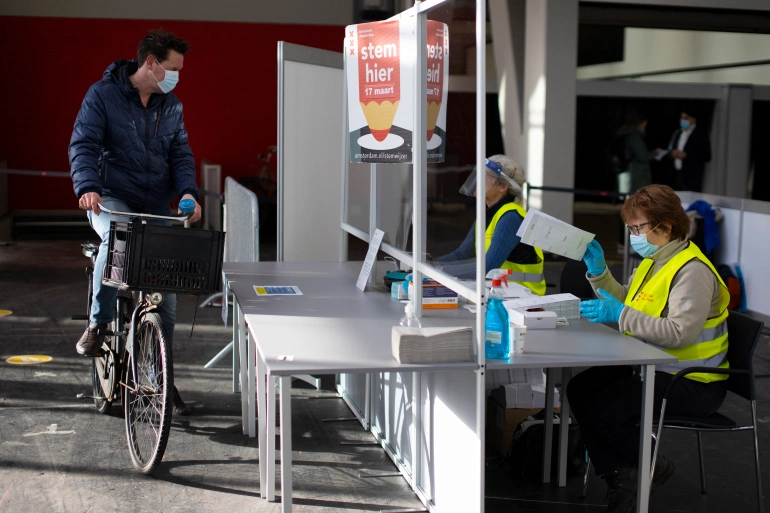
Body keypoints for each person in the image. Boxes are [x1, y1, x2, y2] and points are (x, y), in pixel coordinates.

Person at [566, 184, 731, 513]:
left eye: (638, 228)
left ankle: (637, 470)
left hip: (693, 380)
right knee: (580, 388)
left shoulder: (692, 271)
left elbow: (680, 333)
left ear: (666, 227)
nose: (632, 236)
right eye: (630, 228)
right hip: (656, 365)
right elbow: (627, 300)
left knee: (605, 408)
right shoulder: (655, 260)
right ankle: (630, 473)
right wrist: (599, 273)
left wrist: (621, 315)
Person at [69, 30, 202, 415]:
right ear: (150, 63)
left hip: (156, 202)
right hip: (111, 195)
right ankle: (98, 325)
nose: (177, 76)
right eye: (173, 68)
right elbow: (83, 144)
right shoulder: (103, 96)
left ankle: (158, 377)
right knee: (117, 236)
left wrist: (188, 193)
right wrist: (88, 187)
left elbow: (181, 154)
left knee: (168, 296)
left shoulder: (171, 105)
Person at [436, 155, 545, 295]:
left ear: (503, 186)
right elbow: (462, 254)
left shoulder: (511, 217)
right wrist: (429, 264)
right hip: (502, 294)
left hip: (523, 299)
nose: (477, 179)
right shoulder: (487, 214)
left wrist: (441, 271)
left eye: (485, 175)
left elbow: (487, 267)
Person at [614, 112, 662, 195]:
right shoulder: (634, 137)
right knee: (636, 197)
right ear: (640, 123)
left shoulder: (626, 134)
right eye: (644, 125)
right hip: (637, 174)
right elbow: (642, 156)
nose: (644, 127)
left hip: (629, 172)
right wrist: (656, 152)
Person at [665, 108, 712, 192]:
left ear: (693, 119)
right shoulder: (678, 133)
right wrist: (672, 153)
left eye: (686, 118)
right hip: (676, 175)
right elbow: (669, 149)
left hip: (691, 178)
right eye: (682, 118)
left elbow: (706, 156)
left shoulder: (700, 134)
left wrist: (686, 155)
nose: (683, 120)